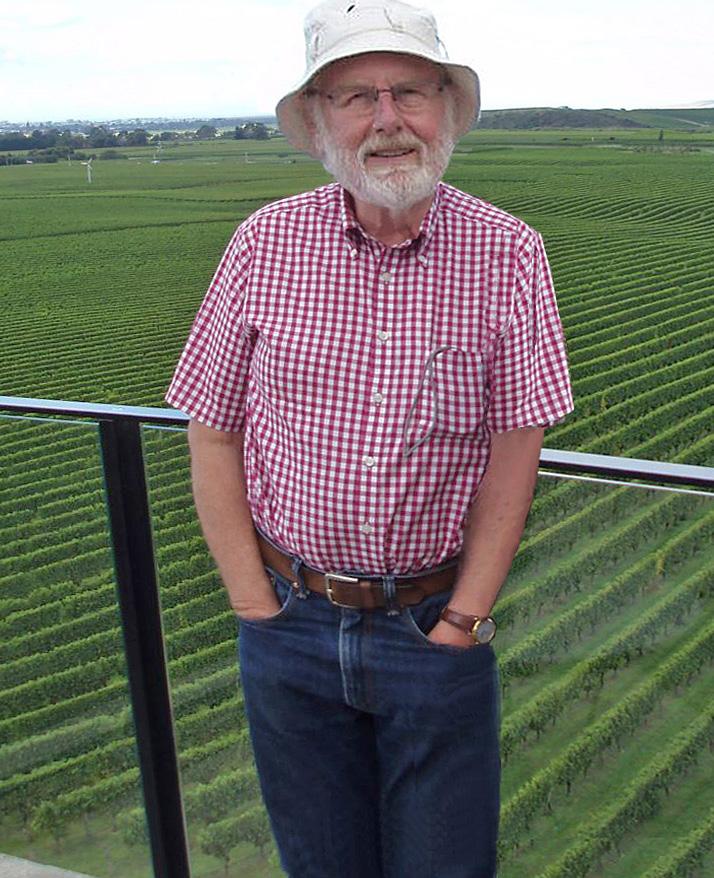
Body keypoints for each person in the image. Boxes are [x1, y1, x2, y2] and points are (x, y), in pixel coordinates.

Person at [165, 1, 573, 875]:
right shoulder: (263, 244)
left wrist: (462, 621)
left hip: (435, 629)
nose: (388, 120)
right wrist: (254, 609)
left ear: (446, 109)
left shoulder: (510, 252)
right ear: (320, 122)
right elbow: (212, 429)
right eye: (356, 97)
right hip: (290, 625)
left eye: (410, 92)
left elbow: (515, 451)